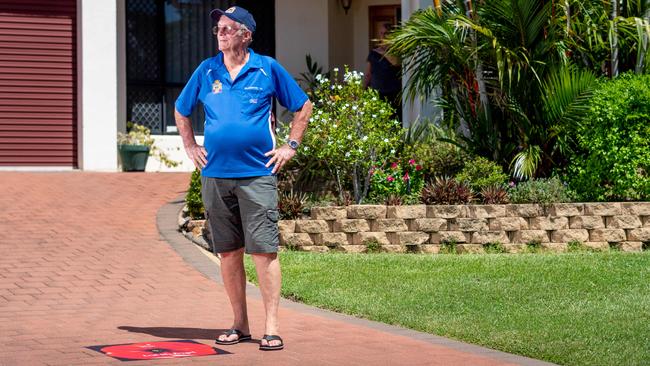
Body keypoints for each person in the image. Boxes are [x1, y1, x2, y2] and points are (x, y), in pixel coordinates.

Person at [174, 6, 312, 352]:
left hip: (257, 176)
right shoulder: (207, 70)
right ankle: (240, 323)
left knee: (264, 252)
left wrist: (290, 146)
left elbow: (303, 106)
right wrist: (190, 146)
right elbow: (181, 109)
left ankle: (272, 327)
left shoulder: (266, 68)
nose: (220, 33)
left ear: (245, 34)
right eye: (218, 28)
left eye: (227, 28)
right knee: (229, 253)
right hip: (215, 176)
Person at [364, 22, 402, 120]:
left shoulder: (397, 51)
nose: (383, 36)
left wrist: (384, 51)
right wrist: (361, 90)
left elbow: (396, 63)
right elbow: (368, 74)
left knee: (394, 122)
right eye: (381, 33)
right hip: (377, 93)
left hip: (393, 94)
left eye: (386, 33)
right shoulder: (373, 53)